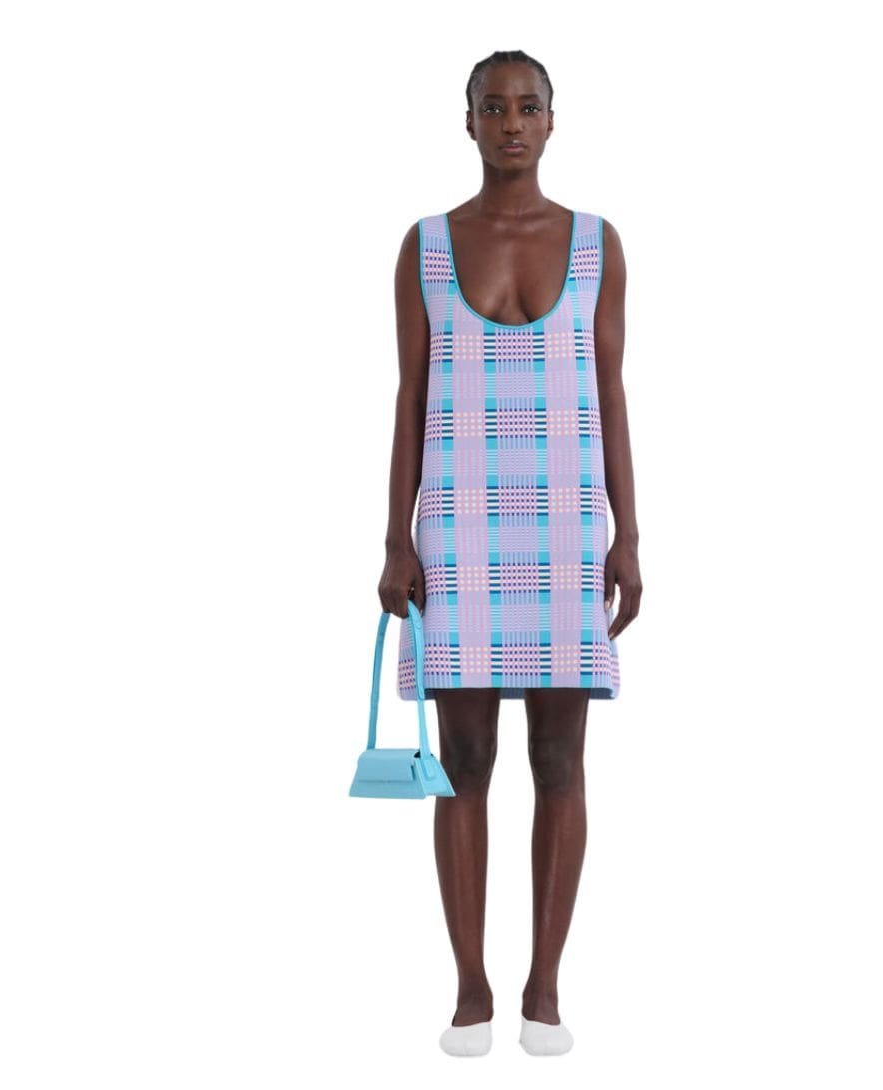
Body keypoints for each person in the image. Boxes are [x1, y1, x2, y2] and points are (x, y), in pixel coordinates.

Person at [378, 49, 641, 1057]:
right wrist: (394, 535)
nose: (512, 123)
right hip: (457, 524)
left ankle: (545, 989)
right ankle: (470, 990)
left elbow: (610, 390)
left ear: (552, 120)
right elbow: (409, 395)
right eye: (493, 108)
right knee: (465, 761)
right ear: (469, 123)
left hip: (566, 525)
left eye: (528, 106)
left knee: (560, 757)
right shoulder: (427, 246)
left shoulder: (597, 244)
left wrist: (628, 532)